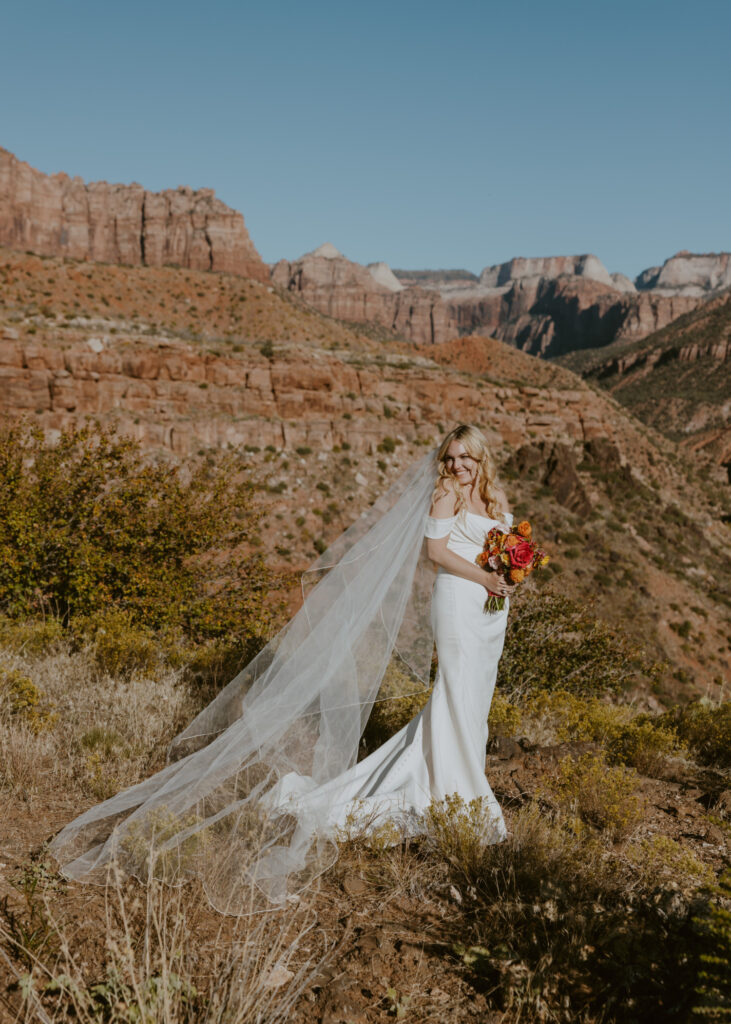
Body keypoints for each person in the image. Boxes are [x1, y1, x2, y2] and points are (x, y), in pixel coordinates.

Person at [49, 424, 515, 914]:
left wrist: (507, 575)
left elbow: (505, 546)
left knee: (474, 700)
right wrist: (484, 576)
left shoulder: (495, 495)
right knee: (454, 692)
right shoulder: (445, 496)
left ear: (481, 456)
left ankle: (453, 780)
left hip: (491, 611)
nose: (458, 466)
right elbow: (437, 552)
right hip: (459, 602)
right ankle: (468, 796)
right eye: (451, 458)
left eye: (466, 458)